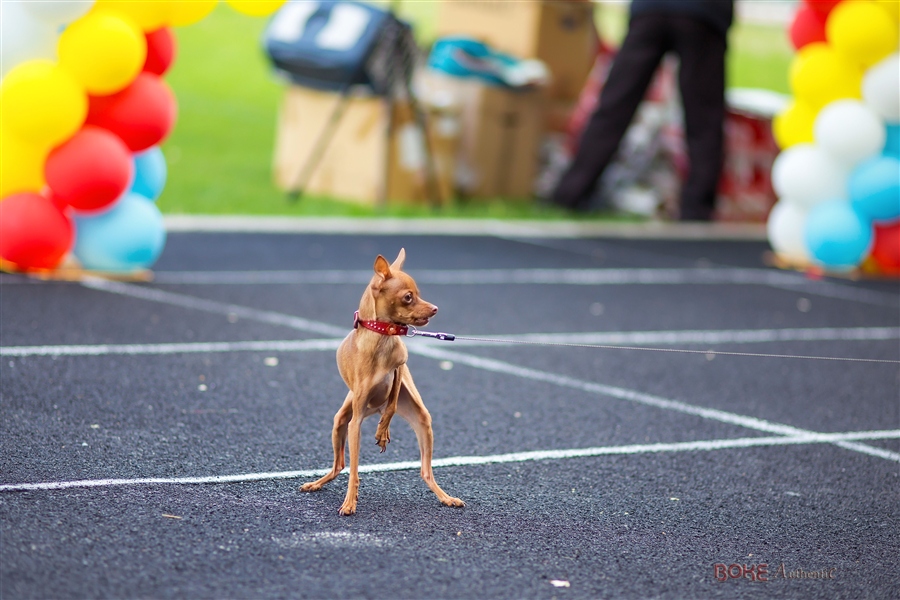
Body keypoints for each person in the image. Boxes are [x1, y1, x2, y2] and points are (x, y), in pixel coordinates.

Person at [552, 0, 734, 220]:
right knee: (703, 121)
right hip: (703, 12)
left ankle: (570, 192)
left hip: (651, 8)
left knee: (614, 105)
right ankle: (696, 212)